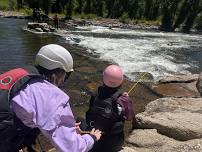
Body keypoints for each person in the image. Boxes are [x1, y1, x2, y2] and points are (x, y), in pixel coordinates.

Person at [0, 44, 102, 152]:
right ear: (58, 73)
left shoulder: (20, 75)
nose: (63, 81)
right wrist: (92, 138)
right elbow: (73, 148)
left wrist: (64, 126)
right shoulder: (50, 96)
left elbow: (26, 110)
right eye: (66, 75)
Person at [80, 64, 135, 152]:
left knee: (80, 119)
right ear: (121, 82)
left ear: (103, 79)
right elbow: (130, 118)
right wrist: (127, 100)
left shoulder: (95, 94)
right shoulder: (124, 100)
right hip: (114, 145)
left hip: (94, 142)